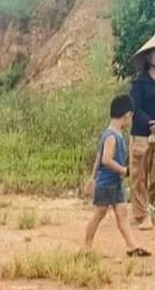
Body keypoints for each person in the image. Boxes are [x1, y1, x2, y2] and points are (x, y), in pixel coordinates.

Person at [85, 95, 150, 257]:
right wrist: (123, 170)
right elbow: (106, 160)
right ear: (127, 115)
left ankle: (132, 246)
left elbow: (99, 158)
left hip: (115, 183)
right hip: (107, 183)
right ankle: (86, 247)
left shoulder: (112, 134)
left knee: (122, 215)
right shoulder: (112, 136)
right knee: (99, 215)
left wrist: (92, 178)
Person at [129, 37, 155, 229]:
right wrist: (150, 123)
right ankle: (140, 215)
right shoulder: (140, 82)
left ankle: (150, 210)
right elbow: (135, 109)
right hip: (141, 133)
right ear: (147, 56)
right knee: (139, 176)